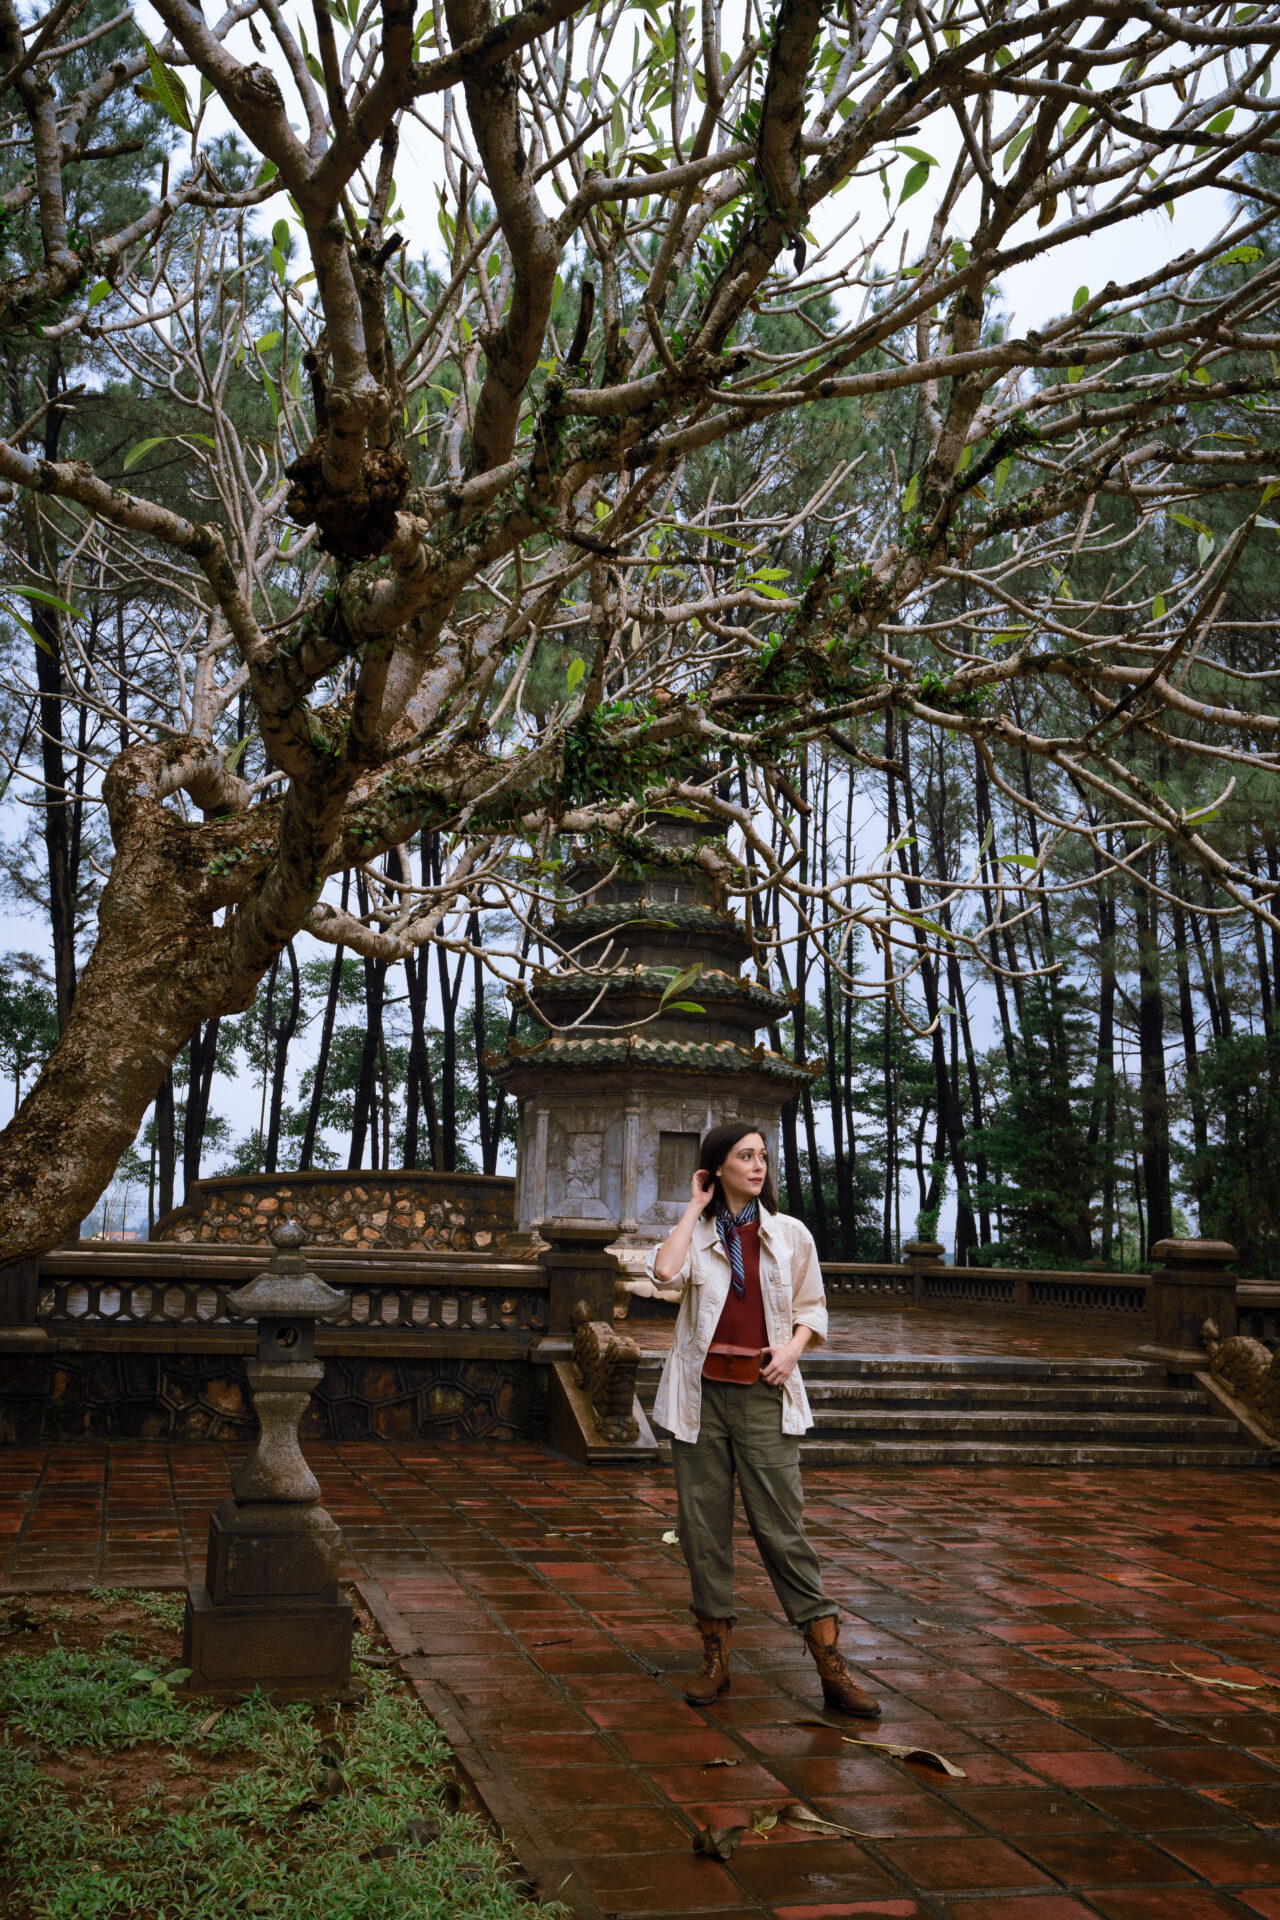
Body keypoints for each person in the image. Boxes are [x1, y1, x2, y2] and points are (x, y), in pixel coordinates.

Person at [648, 1121, 880, 1718]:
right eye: (744, 1156)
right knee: (702, 1531)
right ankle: (716, 1659)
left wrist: (793, 1348)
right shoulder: (698, 1234)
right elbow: (663, 1272)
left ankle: (831, 1666)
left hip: (762, 1394)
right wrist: (694, 1206)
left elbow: (812, 1307)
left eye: (762, 1157)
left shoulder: (789, 1234)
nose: (758, 1166)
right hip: (699, 1401)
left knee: (782, 1531)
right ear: (717, 1167)